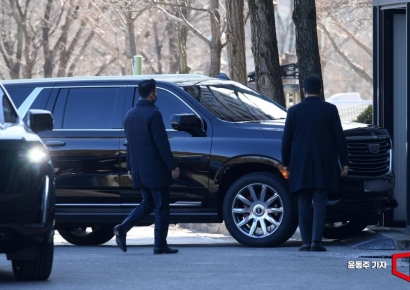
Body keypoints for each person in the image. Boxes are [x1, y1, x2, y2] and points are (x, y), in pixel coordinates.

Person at [281, 75, 349, 252]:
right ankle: (316, 242)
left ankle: (305, 242)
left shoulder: (294, 111)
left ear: (304, 90)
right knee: (320, 201)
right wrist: (344, 162)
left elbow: (286, 139)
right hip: (324, 162)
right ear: (320, 90)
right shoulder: (330, 109)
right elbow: (339, 137)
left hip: (300, 162)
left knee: (303, 201)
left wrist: (285, 162)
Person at [113, 78, 180, 254]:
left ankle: (123, 228)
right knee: (161, 206)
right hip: (156, 169)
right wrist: (173, 166)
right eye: (156, 91)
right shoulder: (153, 115)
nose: (156, 94)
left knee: (148, 203)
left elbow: (130, 144)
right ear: (152, 94)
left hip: (139, 169)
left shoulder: (129, 115)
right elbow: (161, 143)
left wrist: (129, 167)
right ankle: (160, 245)